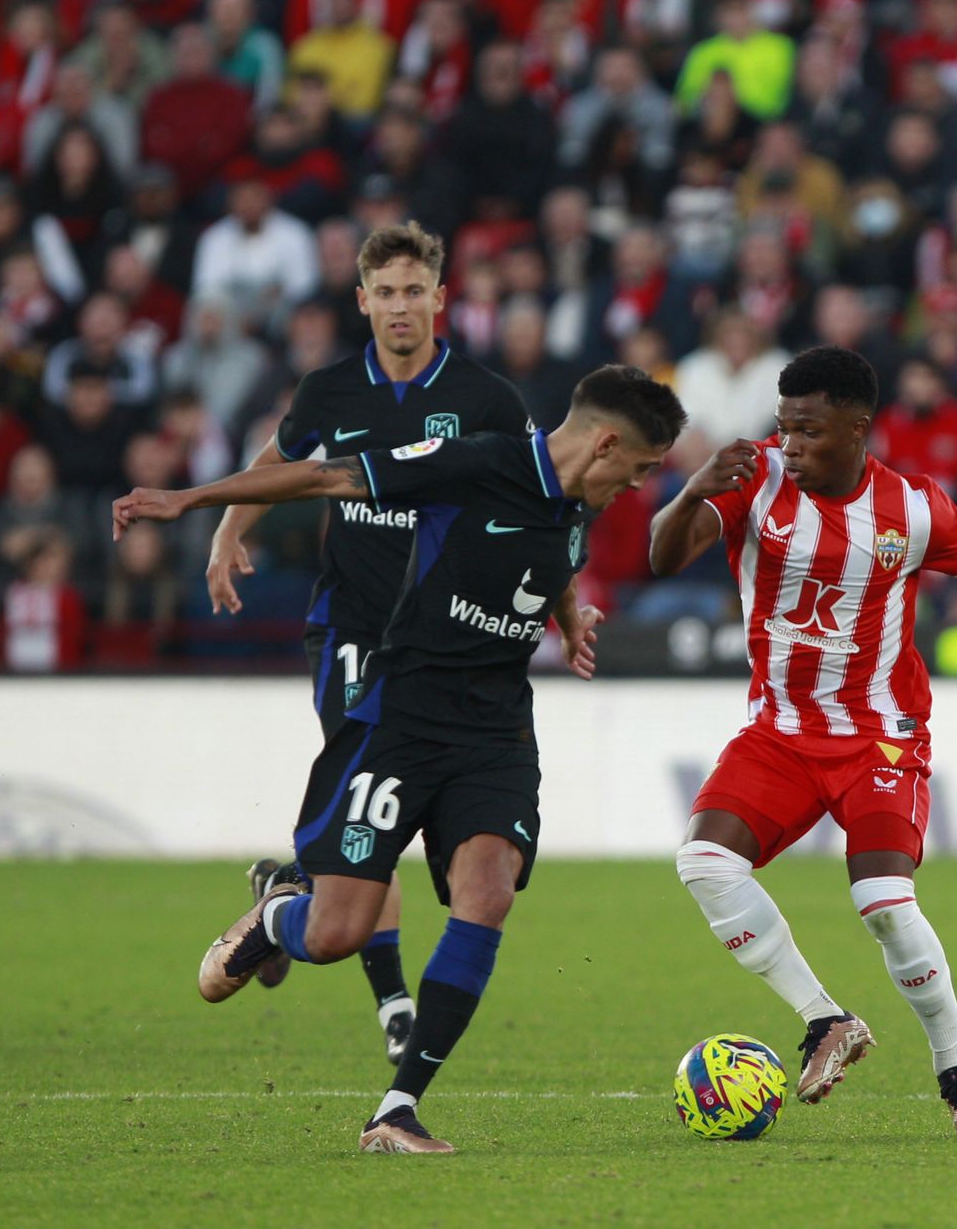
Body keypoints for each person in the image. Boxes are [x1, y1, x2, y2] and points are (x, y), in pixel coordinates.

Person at [113, 365, 687, 1154]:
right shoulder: (477, 462)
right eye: (644, 467)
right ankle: (281, 911)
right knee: (338, 932)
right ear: (608, 443)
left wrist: (568, 616)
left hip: (496, 736)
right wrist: (193, 504)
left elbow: (549, 564)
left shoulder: (581, 504)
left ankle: (396, 1108)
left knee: (486, 892)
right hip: (400, 722)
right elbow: (324, 474)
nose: (641, 483)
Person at [648, 346, 957, 1141]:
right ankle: (825, 1019)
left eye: (808, 429)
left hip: (879, 737)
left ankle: (956, 1065)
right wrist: (696, 486)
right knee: (703, 861)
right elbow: (664, 555)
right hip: (778, 733)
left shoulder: (911, 510)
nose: (791, 444)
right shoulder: (756, 482)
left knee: (881, 902)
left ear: (856, 428)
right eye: (784, 426)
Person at [203, 220, 529, 1066]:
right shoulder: (331, 391)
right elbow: (284, 456)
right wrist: (228, 531)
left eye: (414, 290)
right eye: (384, 293)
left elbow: (536, 509)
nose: (400, 307)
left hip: (447, 645)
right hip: (353, 633)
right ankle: (392, 1004)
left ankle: (289, 898)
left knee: (401, 821)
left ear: (440, 299)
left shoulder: (489, 399)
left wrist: (563, 610)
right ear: (362, 302)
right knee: (371, 815)